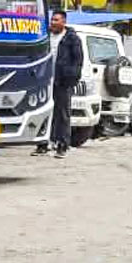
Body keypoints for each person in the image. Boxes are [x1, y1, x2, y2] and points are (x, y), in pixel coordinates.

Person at [36, 9, 83, 159]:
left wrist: (71, 78)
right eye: (52, 20)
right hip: (45, 81)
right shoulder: (45, 36)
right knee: (43, 112)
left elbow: (78, 61)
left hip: (62, 82)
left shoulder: (72, 39)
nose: (53, 23)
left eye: (56, 20)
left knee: (62, 114)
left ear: (64, 22)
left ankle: (62, 145)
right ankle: (42, 144)